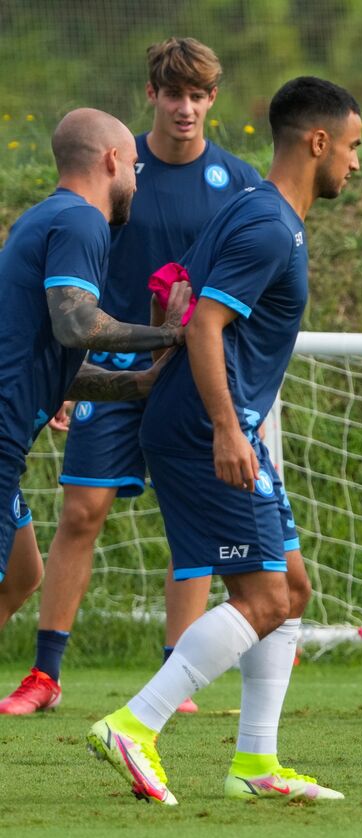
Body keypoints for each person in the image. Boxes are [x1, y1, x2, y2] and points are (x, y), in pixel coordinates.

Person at [87, 76, 361, 806]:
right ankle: (134, 725)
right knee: (267, 597)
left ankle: (256, 762)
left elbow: (177, 289)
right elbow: (204, 323)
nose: (357, 164)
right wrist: (227, 428)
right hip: (205, 426)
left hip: (214, 419)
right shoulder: (269, 223)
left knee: (290, 588)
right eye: (355, 146)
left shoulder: (256, 208)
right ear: (318, 141)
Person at [0, 36, 260, 717]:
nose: (184, 107)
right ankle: (45, 672)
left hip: (174, 375)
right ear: (150, 99)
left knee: (180, 529)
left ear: (212, 101)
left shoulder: (235, 184)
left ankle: (176, 675)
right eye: (172, 93)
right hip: (90, 372)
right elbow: (72, 316)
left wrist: (165, 368)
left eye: (197, 95)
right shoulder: (94, 197)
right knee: (79, 514)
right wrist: (159, 340)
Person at [0, 108, 191, 634]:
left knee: (20, 576)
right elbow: (77, 323)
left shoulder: (45, 218)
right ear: (111, 161)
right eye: (133, 166)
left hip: (10, 439)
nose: (135, 179)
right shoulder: (81, 220)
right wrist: (174, 334)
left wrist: (138, 382)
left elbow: (52, 351)